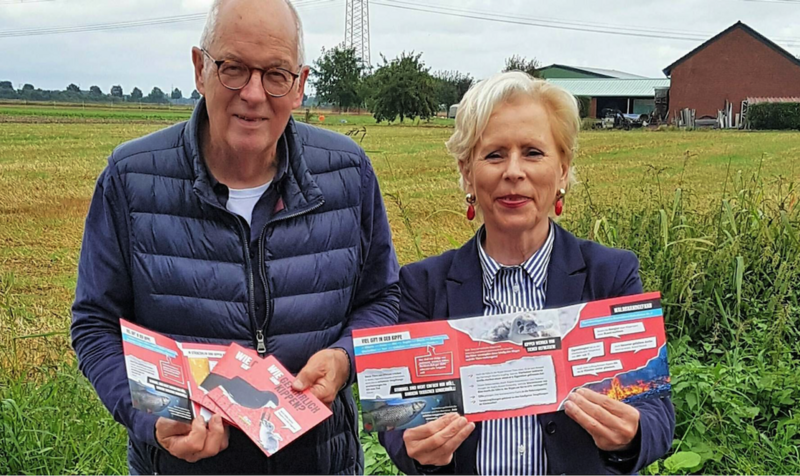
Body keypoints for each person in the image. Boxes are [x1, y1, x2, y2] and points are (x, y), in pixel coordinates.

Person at [70, 0, 400, 473]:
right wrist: (153, 417)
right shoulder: (131, 179)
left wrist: (346, 359)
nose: (253, 92)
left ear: (300, 85)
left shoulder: (347, 173)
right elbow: (96, 325)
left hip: (320, 462)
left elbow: (383, 298)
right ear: (200, 69)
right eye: (233, 68)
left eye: (275, 74)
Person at [378, 72, 675, 475]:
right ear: (468, 173)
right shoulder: (422, 285)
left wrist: (632, 434)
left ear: (563, 171)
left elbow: (657, 413)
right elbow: (397, 421)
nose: (513, 171)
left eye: (533, 152)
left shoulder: (611, 274)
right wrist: (418, 450)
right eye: (495, 154)